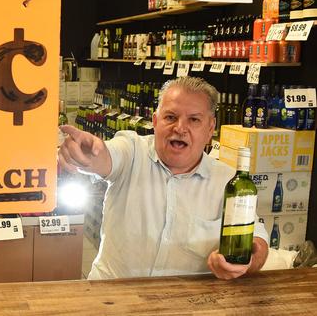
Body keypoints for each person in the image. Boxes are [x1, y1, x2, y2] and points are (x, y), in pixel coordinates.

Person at [58, 77, 269, 280]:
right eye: (170, 117)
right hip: (112, 296)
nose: (179, 128)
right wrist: (87, 154)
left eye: (194, 120)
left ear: (210, 129)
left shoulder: (228, 181)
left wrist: (244, 262)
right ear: (155, 121)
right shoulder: (132, 151)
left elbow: (257, 240)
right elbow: (107, 156)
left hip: (187, 303)